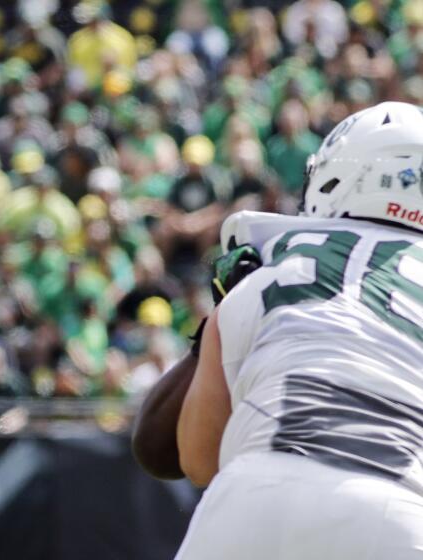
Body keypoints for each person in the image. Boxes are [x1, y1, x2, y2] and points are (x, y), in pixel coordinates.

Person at [139, 101, 423, 559]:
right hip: (398, 516)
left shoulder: (274, 261)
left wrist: (223, 315)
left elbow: (194, 459)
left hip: (255, 492)